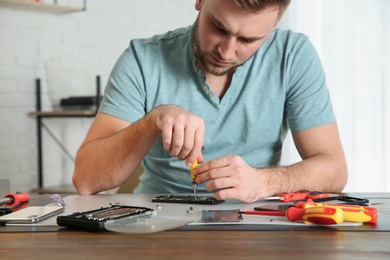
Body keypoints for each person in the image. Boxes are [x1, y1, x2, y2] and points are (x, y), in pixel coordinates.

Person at [72, 0, 348, 203]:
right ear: (200, 1)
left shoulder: (293, 55)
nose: (226, 52)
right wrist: (154, 119)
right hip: (157, 224)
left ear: (273, 27)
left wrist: (263, 182)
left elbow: (334, 170)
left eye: (249, 39)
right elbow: (86, 180)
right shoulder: (142, 59)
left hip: (255, 221)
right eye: (219, 27)